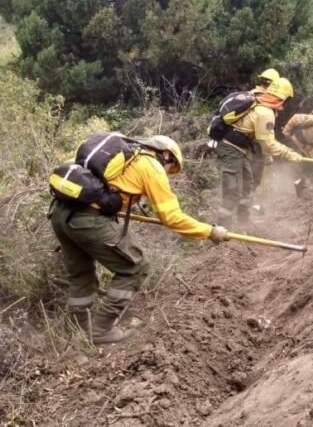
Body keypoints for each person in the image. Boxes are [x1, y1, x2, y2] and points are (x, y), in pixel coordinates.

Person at [49, 135, 230, 344]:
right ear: (166, 156)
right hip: (87, 221)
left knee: (80, 274)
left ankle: (76, 332)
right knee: (134, 267)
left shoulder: (116, 155)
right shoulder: (151, 166)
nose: (169, 174)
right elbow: (171, 217)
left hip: (59, 214)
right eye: (172, 169)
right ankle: (101, 331)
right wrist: (209, 231)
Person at [216, 77, 303, 226]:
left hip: (241, 150)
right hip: (231, 149)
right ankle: (223, 229)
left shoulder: (261, 103)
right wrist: (290, 154)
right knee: (232, 189)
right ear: (283, 98)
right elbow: (268, 145)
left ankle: (243, 222)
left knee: (247, 185)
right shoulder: (265, 113)